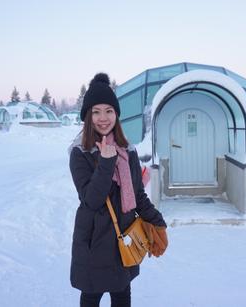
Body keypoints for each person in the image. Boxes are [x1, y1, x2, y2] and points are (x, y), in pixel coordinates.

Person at [68, 73, 168, 307]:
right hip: (93, 243)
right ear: (87, 116)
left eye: (109, 111)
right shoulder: (79, 153)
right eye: (96, 111)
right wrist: (105, 162)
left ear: (116, 114)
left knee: (122, 296)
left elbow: (138, 195)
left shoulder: (128, 150)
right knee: (91, 297)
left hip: (125, 240)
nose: (103, 118)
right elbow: (91, 200)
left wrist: (158, 221)